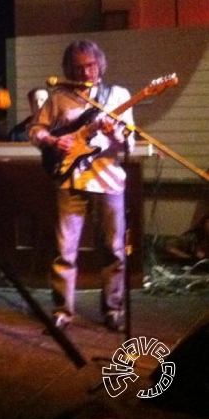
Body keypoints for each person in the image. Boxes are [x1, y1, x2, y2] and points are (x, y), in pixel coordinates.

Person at [28, 40, 135, 332]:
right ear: (68, 68)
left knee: (114, 249)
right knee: (65, 250)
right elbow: (35, 129)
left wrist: (116, 136)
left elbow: (129, 141)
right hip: (69, 180)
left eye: (90, 64)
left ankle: (113, 309)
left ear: (100, 63)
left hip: (109, 179)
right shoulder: (59, 97)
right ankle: (62, 311)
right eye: (78, 66)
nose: (85, 71)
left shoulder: (118, 96)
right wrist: (52, 140)